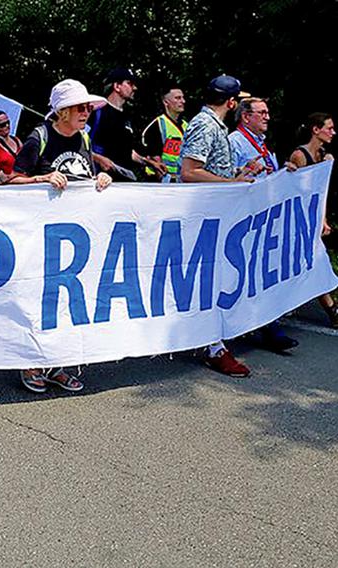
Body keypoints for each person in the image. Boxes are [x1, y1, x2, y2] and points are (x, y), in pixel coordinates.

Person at [11, 78, 113, 394]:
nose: (87, 112)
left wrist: (102, 178)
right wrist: (41, 178)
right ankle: (30, 362)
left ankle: (59, 363)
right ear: (63, 111)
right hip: (42, 237)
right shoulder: (38, 139)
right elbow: (12, 180)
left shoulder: (83, 137)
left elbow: (86, 175)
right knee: (39, 299)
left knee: (70, 301)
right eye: (81, 107)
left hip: (77, 237)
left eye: (88, 107)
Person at [180, 74, 257, 377]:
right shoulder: (204, 124)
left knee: (213, 278)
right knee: (207, 280)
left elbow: (210, 168)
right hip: (203, 213)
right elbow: (190, 171)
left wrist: (239, 172)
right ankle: (212, 346)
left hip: (215, 212)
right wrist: (229, 183)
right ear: (232, 102)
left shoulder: (214, 125)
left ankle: (209, 338)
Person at [226, 97, 301, 352]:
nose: (267, 116)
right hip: (244, 219)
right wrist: (244, 171)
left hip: (263, 219)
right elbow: (227, 178)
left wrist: (284, 172)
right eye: (262, 112)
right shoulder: (235, 141)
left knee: (260, 273)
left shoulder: (263, 145)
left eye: (268, 112)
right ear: (246, 117)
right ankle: (265, 329)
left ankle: (266, 325)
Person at [290, 113, 338, 327]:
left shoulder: (324, 155)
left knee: (310, 262)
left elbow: (321, 192)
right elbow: (295, 191)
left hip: (312, 217)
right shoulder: (300, 156)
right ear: (316, 130)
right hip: (298, 218)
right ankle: (331, 308)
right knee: (316, 261)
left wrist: (323, 218)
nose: (333, 132)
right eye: (329, 128)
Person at [88, 68, 156, 181]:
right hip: (101, 181)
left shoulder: (127, 116)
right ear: (117, 86)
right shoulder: (97, 112)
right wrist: (99, 159)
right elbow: (79, 144)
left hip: (124, 180)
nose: (134, 88)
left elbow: (127, 151)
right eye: (129, 83)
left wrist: (149, 163)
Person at [140, 86, 189, 181]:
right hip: (161, 181)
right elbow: (155, 158)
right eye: (178, 98)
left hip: (181, 180)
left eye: (183, 97)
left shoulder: (186, 126)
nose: (183, 101)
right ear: (166, 102)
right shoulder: (157, 125)